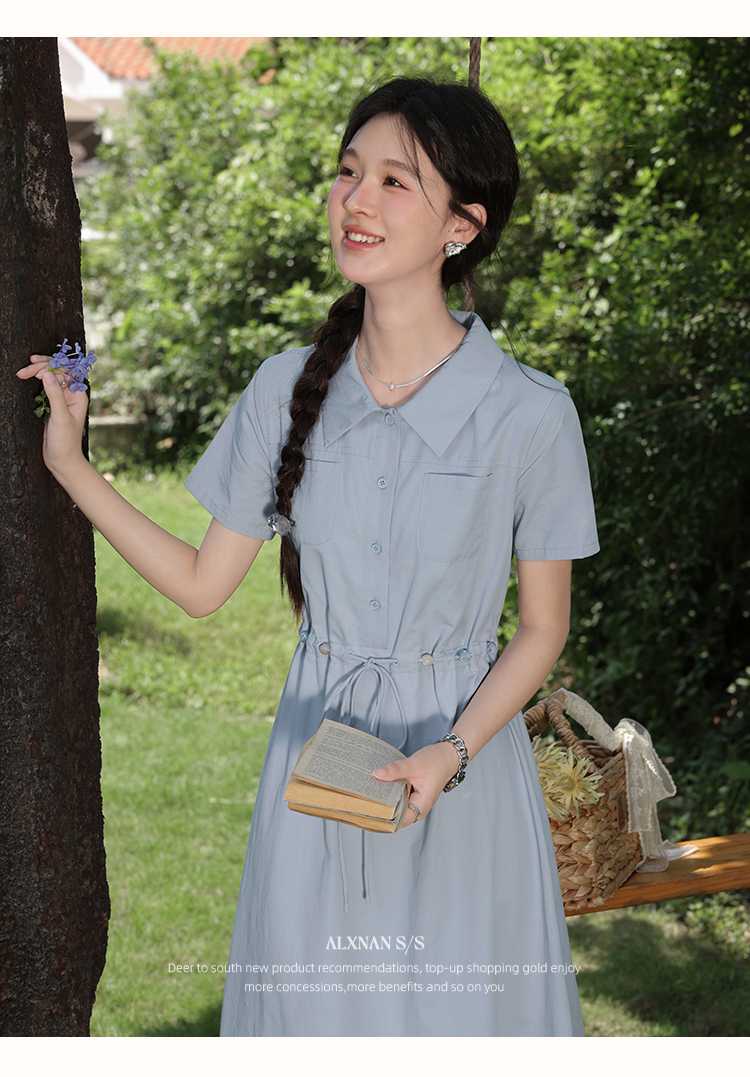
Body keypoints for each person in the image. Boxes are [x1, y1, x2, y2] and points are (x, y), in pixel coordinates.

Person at [18, 77, 599, 1036]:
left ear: (462, 227)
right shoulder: (285, 387)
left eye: (395, 181)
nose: (356, 201)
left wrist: (450, 752)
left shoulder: (530, 413)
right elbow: (202, 585)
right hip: (314, 768)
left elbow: (543, 628)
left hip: (463, 776)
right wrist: (71, 465)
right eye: (347, 173)